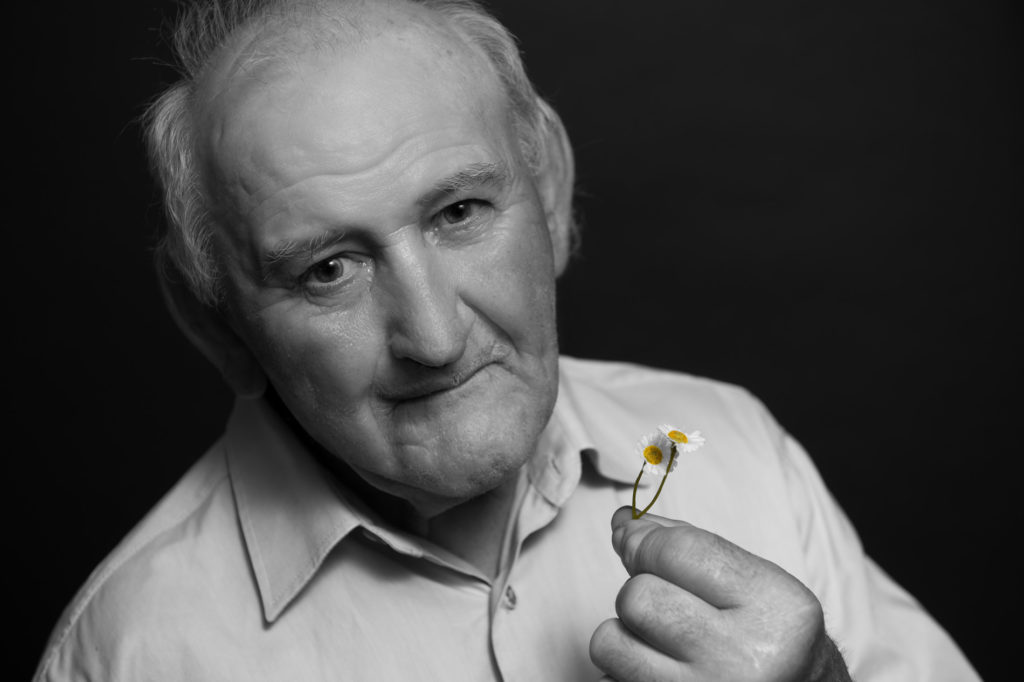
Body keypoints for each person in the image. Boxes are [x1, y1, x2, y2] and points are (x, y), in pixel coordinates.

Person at [34, 0, 980, 680]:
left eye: (459, 212)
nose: (435, 337)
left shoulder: (738, 449)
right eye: (328, 269)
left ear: (552, 190)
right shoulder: (132, 651)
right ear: (214, 322)